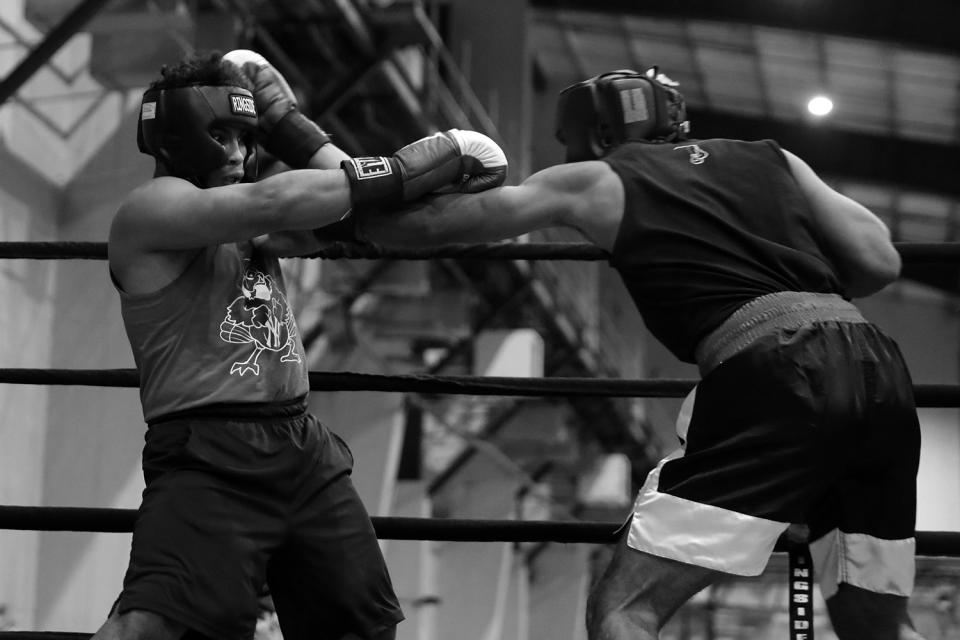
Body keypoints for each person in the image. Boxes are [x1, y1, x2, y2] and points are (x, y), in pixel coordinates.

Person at [353, 68, 922, 639]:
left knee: (626, 610)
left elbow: (450, 224)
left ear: (599, 134)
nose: (566, 150)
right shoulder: (774, 158)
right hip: (879, 372)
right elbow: (879, 260)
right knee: (878, 631)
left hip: (776, 374)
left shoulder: (598, 179)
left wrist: (347, 211)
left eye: (567, 140)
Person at [101, 48, 507, 640]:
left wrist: (294, 127)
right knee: (151, 628)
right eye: (221, 134)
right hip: (209, 453)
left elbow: (358, 211)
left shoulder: (251, 218)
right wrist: (414, 162)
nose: (239, 153)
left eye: (247, 135)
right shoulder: (152, 212)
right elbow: (283, 199)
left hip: (302, 448)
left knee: (362, 628)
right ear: (175, 136)